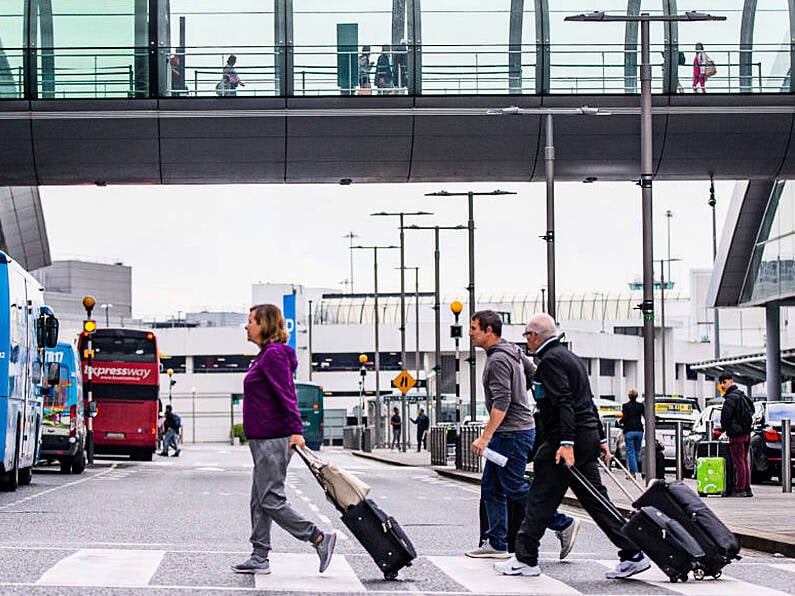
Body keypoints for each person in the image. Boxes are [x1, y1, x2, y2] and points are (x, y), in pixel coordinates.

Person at [495, 313, 650, 579]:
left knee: (540, 498)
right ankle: (632, 552)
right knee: (597, 501)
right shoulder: (570, 357)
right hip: (584, 438)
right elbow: (587, 401)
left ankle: (525, 558)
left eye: (526, 336)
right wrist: (599, 438)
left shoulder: (549, 362)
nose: (526, 341)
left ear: (534, 335)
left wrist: (566, 443)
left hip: (565, 443)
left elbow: (564, 403)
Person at [231, 304, 336, 575]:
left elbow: (286, 394)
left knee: (270, 499)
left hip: (272, 439)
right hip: (264, 438)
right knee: (259, 500)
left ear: (264, 324)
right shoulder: (266, 355)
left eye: (251, 321)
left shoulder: (273, 355)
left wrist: (296, 430)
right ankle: (259, 556)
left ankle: (318, 538)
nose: (247, 326)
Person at [466, 310, 579, 560]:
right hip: (514, 432)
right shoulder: (513, 351)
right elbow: (536, 374)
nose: (470, 333)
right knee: (491, 486)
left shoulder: (497, 361)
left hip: (512, 435)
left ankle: (563, 523)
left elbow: (502, 402)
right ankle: (496, 543)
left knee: (514, 487)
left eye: (474, 328)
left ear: (489, 330)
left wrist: (484, 437)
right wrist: (527, 396)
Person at [718, 372, 754, 497]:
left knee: (738, 461)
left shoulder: (730, 398)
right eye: (721, 383)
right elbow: (752, 409)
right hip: (746, 433)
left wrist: (726, 428)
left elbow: (725, 416)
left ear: (730, 382)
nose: (723, 385)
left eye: (724, 382)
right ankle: (747, 488)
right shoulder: (742, 395)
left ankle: (740, 488)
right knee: (744, 461)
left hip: (736, 434)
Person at [620, 389, 644, 480]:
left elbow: (625, 418)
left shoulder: (625, 406)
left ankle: (633, 473)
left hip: (629, 430)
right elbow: (645, 416)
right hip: (639, 430)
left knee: (630, 452)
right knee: (637, 452)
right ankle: (641, 470)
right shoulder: (640, 406)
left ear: (629, 396)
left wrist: (619, 421)